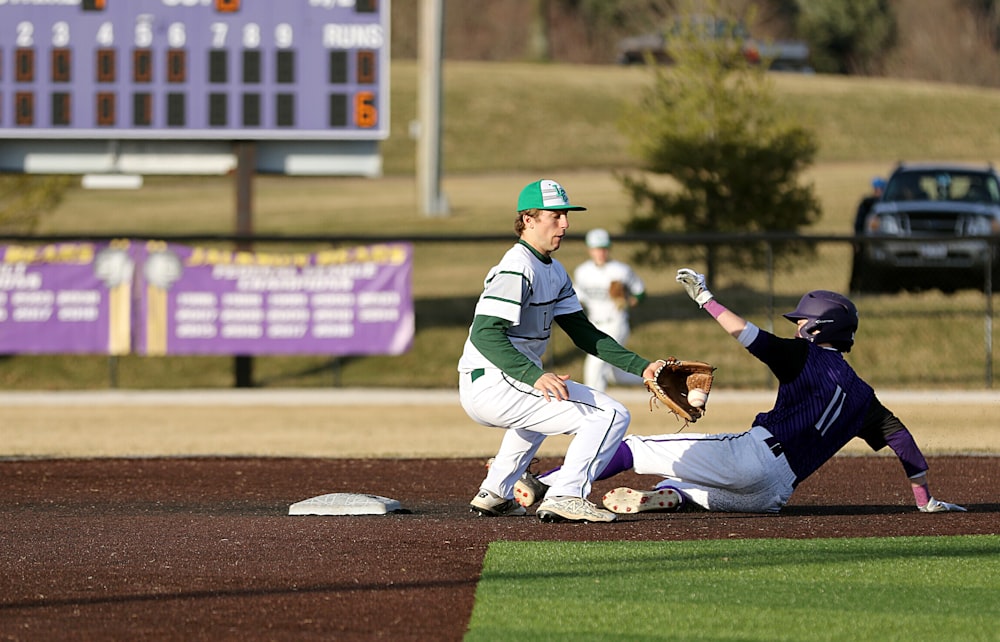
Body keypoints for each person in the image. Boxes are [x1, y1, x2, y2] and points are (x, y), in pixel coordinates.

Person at [518, 270, 966, 515]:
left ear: (817, 327)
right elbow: (902, 441)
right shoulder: (865, 397)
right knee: (683, 484)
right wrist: (924, 500)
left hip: (753, 457)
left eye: (801, 321)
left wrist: (706, 299)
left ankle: (547, 486)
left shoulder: (804, 356)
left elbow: (749, 335)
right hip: (774, 495)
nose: (797, 326)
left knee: (633, 448)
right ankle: (670, 497)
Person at [457, 178, 668, 523]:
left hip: (501, 381)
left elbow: (584, 333)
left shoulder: (554, 271)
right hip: (494, 380)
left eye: (566, 215)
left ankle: (495, 492)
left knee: (543, 412)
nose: (565, 223)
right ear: (528, 220)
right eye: (555, 215)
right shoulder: (517, 266)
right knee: (611, 416)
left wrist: (641, 366)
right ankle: (567, 494)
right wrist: (535, 376)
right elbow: (484, 335)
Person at [573, 228, 647, 391]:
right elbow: (577, 298)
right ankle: (655, 379)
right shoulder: (582, 272)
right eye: (597, 248)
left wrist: (629, 300)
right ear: (589, 249)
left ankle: (595, 408)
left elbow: (640, 292)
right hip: (594, 325)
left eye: (604, 248)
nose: (600, 253)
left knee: (595, 365)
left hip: (616, 322)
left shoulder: (621, 270)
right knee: (616, 374)